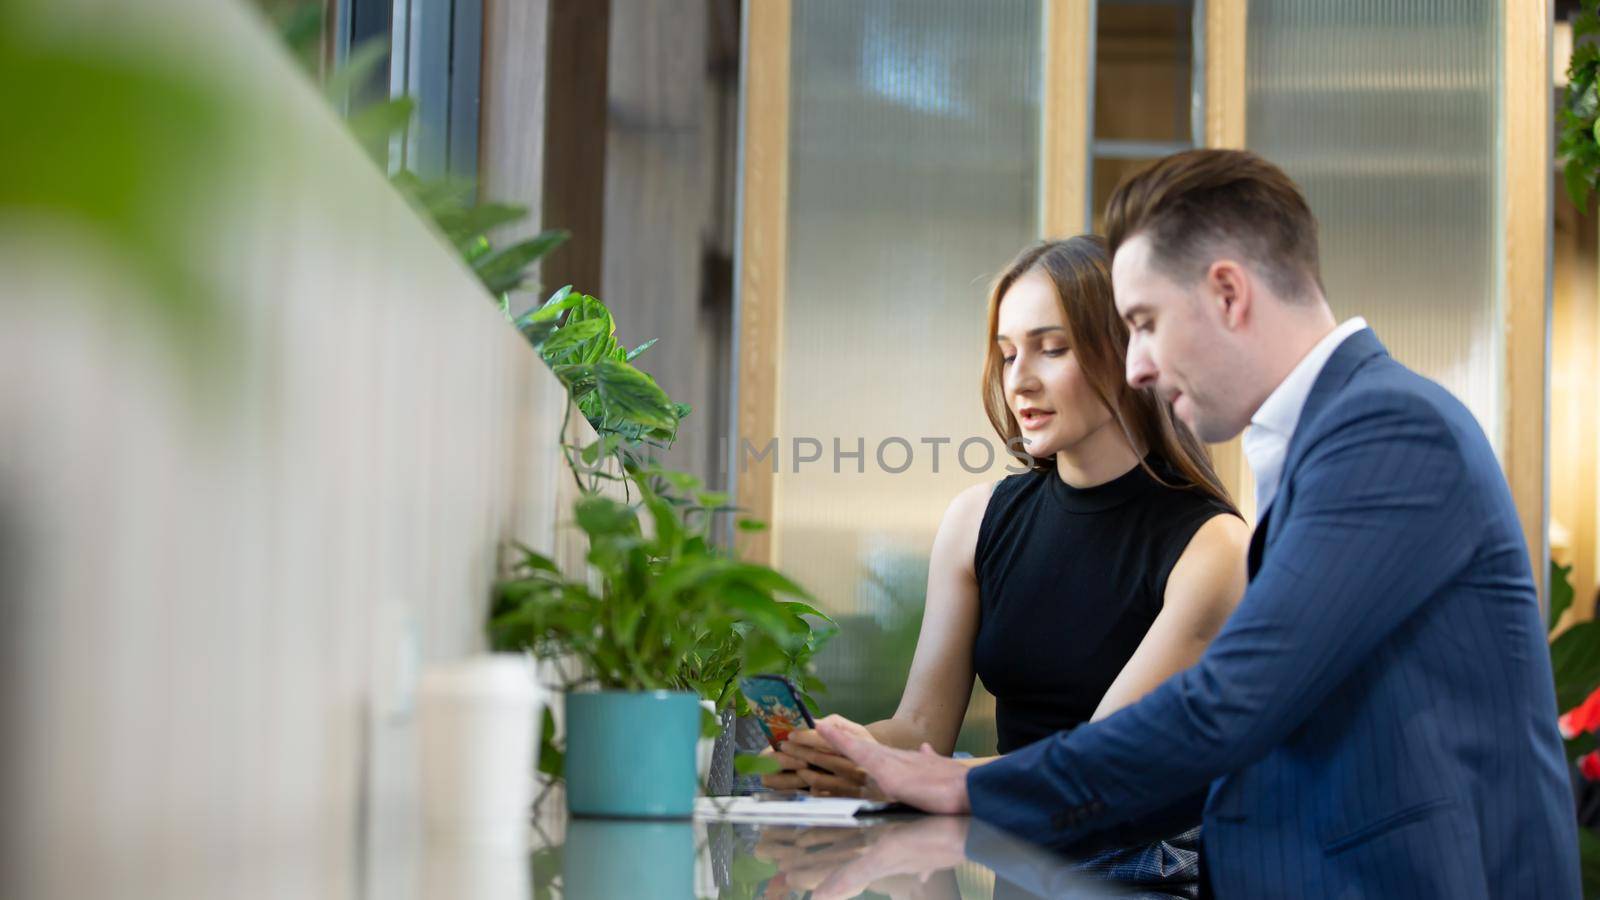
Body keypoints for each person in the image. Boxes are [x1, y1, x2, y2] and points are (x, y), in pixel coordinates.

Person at [814, 149, 1582, 899]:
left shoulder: (1387, 429)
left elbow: (1228, 701)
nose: (1138, 366)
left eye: (1144, 323)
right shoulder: (1332, 434)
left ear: (1227, 293)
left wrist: (966, 787)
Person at [765, 236, 1249, 884]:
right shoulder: (977, 520)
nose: (1019, 379)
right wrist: (841, 751)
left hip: (1140, 871)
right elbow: (920, 728)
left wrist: (907, 775)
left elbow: (1094, 767)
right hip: (1011, 854)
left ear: (1127, 352)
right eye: (1007, 353)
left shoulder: (1212, 548)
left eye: (1052, 349)